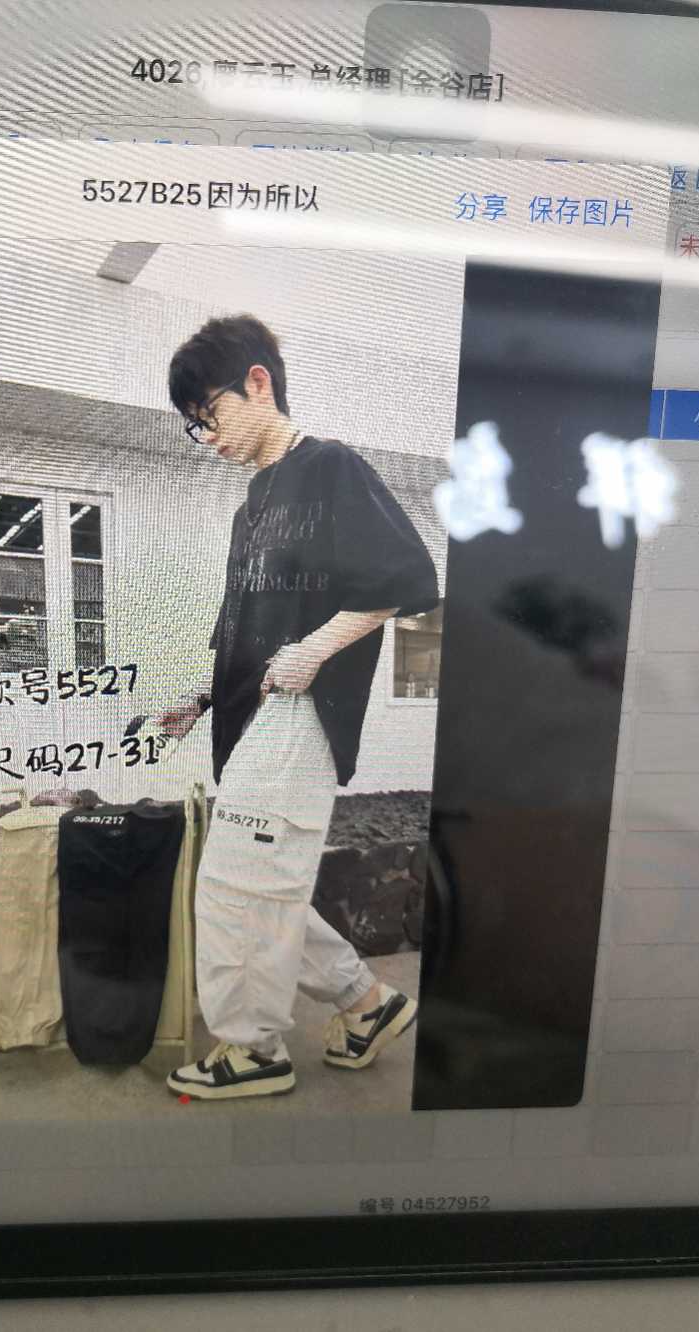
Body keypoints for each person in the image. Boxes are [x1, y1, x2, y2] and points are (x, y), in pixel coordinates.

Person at [158, 314, 440, 1101]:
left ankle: (252, 1050)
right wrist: (200, 696)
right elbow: (243, 625)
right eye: (193, 427)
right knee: (263, 883)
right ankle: (365, 1001)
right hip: (250, 716)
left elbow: (407, 579)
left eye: (208, 415)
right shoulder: (252, 504)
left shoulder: (331, 468)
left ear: (257, 383)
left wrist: (315, 650)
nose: (206, 437)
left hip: (298, 715)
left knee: (235, 889)